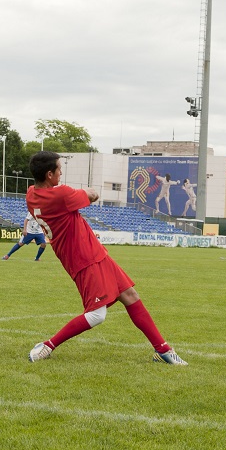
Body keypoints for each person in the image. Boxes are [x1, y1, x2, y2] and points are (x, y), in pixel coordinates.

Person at [25, 151, 187, 366]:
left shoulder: (31, 193)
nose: (61, 172)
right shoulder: (60, 194)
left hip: (92, 253)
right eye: (59, 169)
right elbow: (93, 195)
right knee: (96, 315)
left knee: (130, 295)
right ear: (49, 175)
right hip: (83, 258)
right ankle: (47, 345)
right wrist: (83, 191)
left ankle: (163, 349)